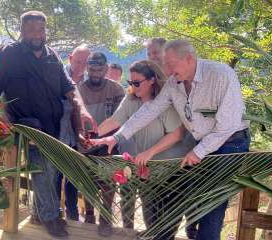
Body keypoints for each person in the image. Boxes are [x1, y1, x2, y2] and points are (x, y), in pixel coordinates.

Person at [92, 39, 250, 240]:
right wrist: (116, 137)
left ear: (189, 59)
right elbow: (150, 110)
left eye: (170, 64)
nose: (165, 69)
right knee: (183, 199)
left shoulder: (221, 75)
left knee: (211, 205)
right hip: (201, 144)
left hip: (231, 143)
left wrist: (197, 152)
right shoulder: (174, 82)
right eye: (164, 64)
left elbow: (227, 126)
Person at [0, 11, 95, 238]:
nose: (36, 34)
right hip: (27, 127)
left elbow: (69, 88)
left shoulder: (52, 56)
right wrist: (1, 122)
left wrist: (81, 109)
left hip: (53, 126)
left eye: (41, 29)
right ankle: (50, 217)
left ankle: (40, 212)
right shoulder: (9, 54)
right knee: (42, 171)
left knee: (50, 172)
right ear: (22, 31)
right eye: (31, 30)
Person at [97, 60, 190, 237]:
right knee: (150, 219)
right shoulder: (131, 98)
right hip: (143, 170)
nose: (132, 86)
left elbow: (177, 134)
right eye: (130, 82)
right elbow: (115, 120)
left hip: (169, 172)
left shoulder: (165, 102)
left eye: (137, 83)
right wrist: (93, 137)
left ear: (152, 80)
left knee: (165, 224)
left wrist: (150, 152)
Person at [146, 37, 198, 239]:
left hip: (183, 154)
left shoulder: (181, 80)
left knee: (183, 201)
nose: (152, 59)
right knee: (154, 204)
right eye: (149, 55)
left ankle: (189, 231)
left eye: (156, 54)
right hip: (156, 157)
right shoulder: (148, 83)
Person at [78, 52, 125, 236]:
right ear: (87, 69)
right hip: (86, 144)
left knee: (107, 184)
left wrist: (104, 138)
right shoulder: (79, 89)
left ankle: (105, 219)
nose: (95, 73)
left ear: (106, 69)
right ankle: (89, 215)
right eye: (92, 69)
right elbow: (75, 116)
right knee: (88, 183)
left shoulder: (116, 89)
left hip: (108, 145)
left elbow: (120, 119)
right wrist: (81, 135)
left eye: (99, 69)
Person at [55, 44, 91, 222]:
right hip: (57, 134)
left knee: (73, 178)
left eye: (85, 62)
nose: (81, 66)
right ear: (70, 58)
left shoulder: (88, 82)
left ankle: (73, 216)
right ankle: (55, 214)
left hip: (77, 139)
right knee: (54, 177)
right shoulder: (58, 74)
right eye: (78, 61)